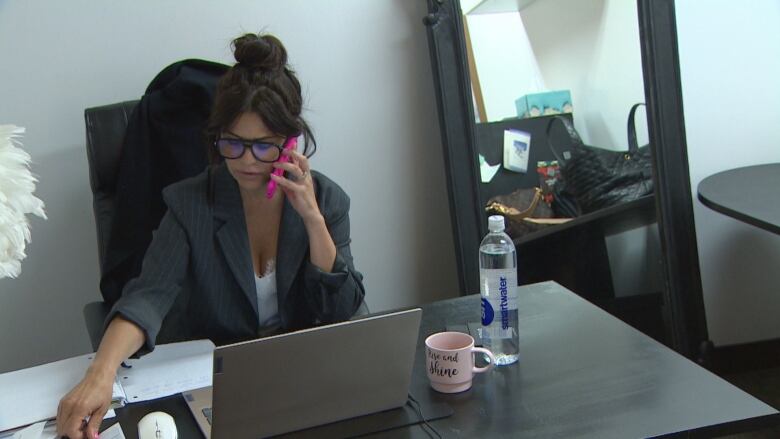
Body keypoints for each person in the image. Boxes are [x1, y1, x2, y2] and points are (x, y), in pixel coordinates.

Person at [57, 33, 366, 439]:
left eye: (264, 147)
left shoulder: (327, 200)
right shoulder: (190, 204)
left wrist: (312, 219)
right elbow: (147, 296)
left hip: (297, 383)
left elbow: (346, 313)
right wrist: (100, 371)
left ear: (290, 143)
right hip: (216, 384)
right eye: (233, 144)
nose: (246, 161)